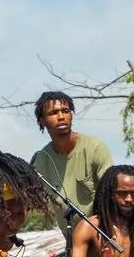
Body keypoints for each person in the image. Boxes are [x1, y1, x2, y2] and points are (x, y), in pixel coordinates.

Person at [30, 91, 110, 222]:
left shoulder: (95, 148)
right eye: (53, 113)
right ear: (42, 121)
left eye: (66, 111)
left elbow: (112, 192)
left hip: (102, 235)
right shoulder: (41, 160)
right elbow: (24, 195)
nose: (61, 117)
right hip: (70, 239)